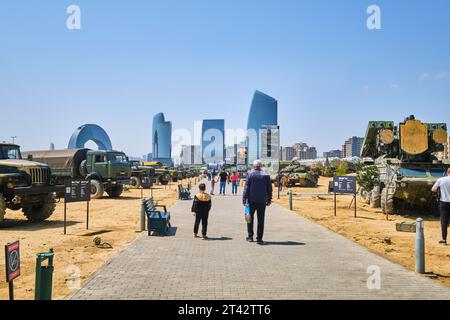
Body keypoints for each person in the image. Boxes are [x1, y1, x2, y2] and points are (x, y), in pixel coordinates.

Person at [243, 160, 273, 245]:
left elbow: (246, 188)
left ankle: (250, 237)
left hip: (250, 201)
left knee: (249, 218)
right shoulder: (266, 175)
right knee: (261, 220)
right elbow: (269, 189)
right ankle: (259, 239)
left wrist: (244, 198)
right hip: (262, 201)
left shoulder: (250, 174)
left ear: (253, 166)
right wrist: (269, 199)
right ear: (261, 166)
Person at [432, 168, 450, 245]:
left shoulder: (441, 179)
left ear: (447, 172)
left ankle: (444, 240)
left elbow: (433, 189)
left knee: (444, 221)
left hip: (444, 202)